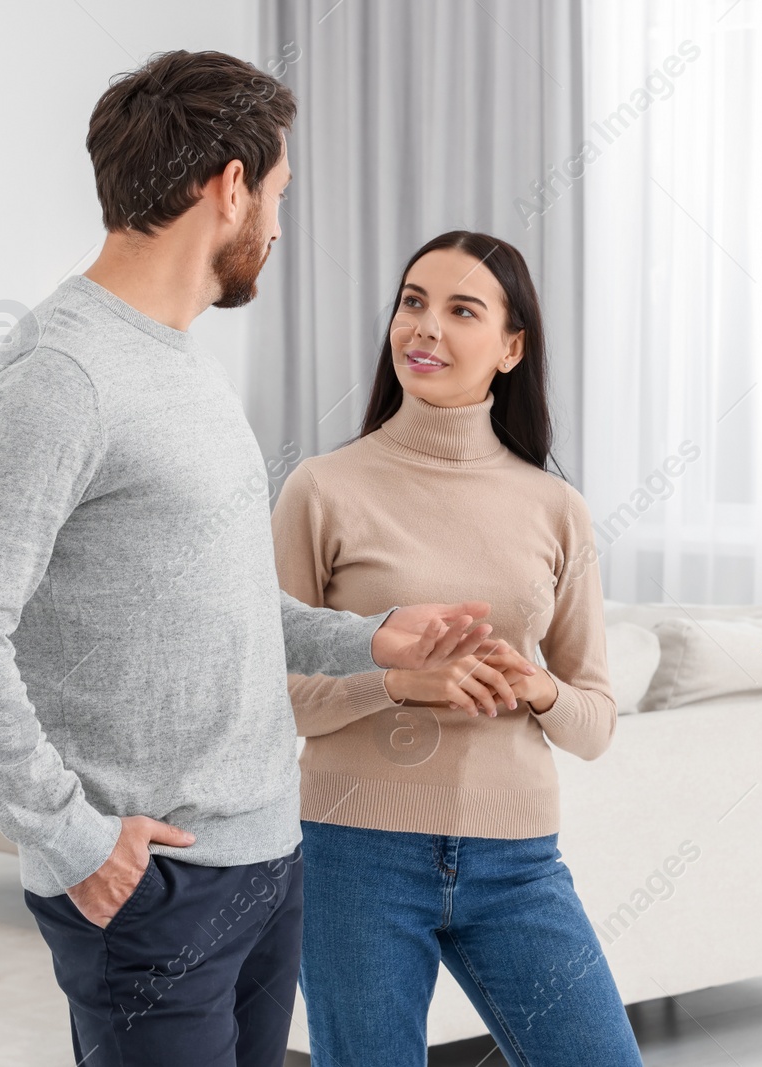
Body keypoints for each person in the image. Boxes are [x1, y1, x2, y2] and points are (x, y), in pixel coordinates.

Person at [0, 51, 517, 1067]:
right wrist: (71, 835)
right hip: (158, 882)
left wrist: (374, 638)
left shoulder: (179, 362)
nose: (275, 225)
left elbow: (221, 603)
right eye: (275, 193)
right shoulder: (64, 373)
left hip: (269, 856)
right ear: (228, 186)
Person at [271, 230, 643, 1065]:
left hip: (517, 860)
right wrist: (401, 684)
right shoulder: (322, 488)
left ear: (511, 348)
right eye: (412, 302)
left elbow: (595, 721)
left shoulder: (556, 508)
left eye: (460, 310)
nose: (425, 328)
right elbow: (270, 688)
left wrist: (538, 689)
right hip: (353, 852)